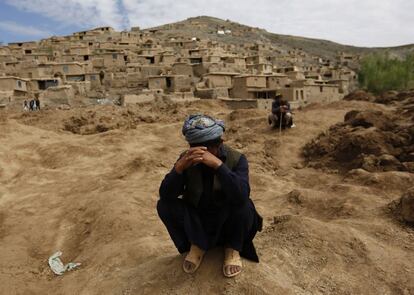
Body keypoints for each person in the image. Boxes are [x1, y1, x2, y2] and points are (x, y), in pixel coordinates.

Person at [157, 114, 262, 278]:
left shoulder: (237, 159)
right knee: (164, 205)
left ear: (219, 144)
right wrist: (178, 169)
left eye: (207, 148)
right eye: (196, 147)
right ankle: (197, 246)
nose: (201, 153)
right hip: (198, 220)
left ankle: (232, 248)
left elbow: (241, 195)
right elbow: (166, 195)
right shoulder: (187, 158)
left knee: (245, 205)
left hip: (227, 220)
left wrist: (218, 166)